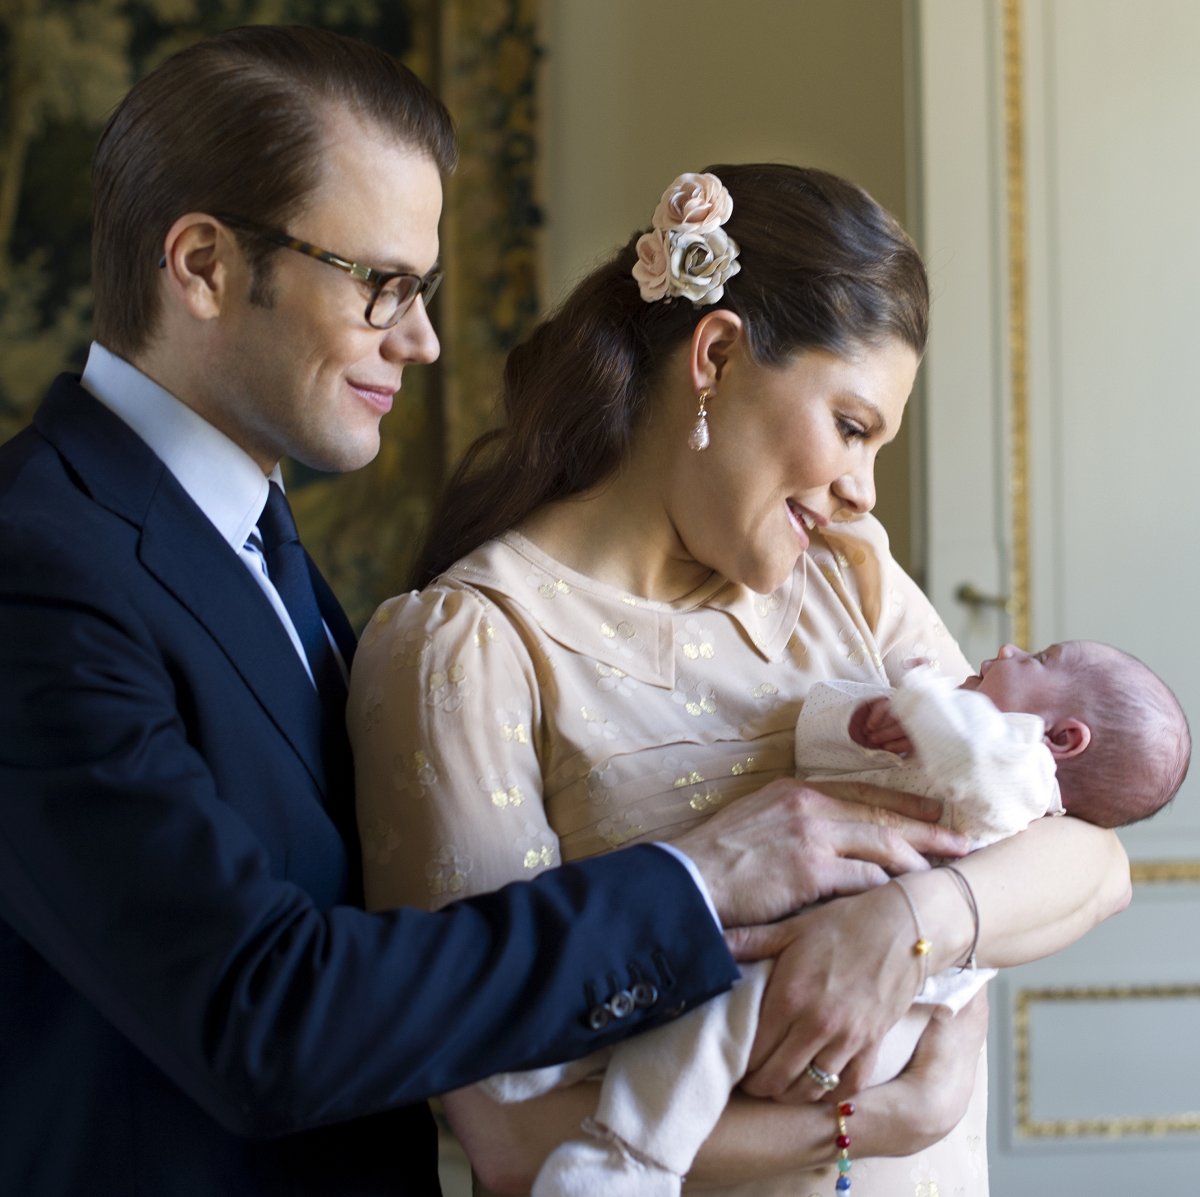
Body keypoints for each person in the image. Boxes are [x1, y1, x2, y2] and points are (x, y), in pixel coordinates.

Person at [0, 33, 979, 1197]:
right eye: (383, 286)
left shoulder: (252, 547)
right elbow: (258, 1013)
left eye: (424, 290)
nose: (418, 339)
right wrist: (700, 882)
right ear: (205, 265)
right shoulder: (36, 563)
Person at [348, 167, 1133, 1196]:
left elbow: (1088, 857)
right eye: (852, 427)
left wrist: (905, 924)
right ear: (714, 356)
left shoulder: (851, 577)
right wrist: (889, 1119)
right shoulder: (470, 647)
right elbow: (512, 1134)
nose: (862, 488)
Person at [477, 639, 1189, 1197]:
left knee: (704, 1020)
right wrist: (865, 721)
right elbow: (820, 748)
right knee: (688, 1009)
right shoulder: (984, 756)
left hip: (873, 1001)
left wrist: (919, 693)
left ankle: (638, 1156)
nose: (1006, 651)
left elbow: (971, 748)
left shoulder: (1024, 773)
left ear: (1063, 739)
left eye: (1037, 660)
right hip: (844, 961)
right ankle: (566, 1061)